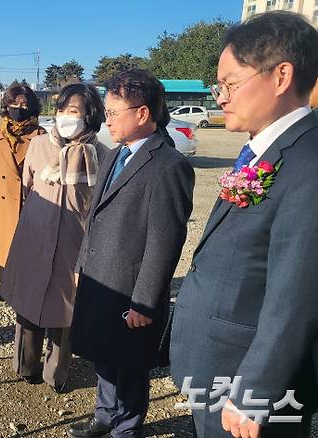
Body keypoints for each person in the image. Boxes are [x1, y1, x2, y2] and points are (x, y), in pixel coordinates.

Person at [170, 11, 318, 438]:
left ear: (280, 76)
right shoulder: (263, 150)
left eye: (231, 84)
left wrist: (256, 391)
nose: (221, 96)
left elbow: (297, 294)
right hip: (217, 367)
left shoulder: (308, 162)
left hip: (248, 387)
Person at [68, 70, 195, 438]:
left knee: (131, 362)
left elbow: (166, 240)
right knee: (104, 354)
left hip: (132, 287)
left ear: (142, 114)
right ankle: (105, 415)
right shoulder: (114, 154)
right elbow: (94, 216)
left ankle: (127, 427)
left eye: (113, 111)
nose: (106, 118)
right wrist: (81, 264)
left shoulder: (169, 165)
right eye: (105, 111)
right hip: (100, 277)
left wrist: (145, 302)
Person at [0, 83, 107, 393]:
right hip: (35, 234)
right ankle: (25, 365)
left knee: (65, 311)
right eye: (61, 110)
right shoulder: (40, 144)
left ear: (90, 116)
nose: (64, 117)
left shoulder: (101, 154)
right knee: (28, 302)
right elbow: (29, 185)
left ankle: (56, 373)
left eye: (73, 111)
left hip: (74, 242)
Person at [0, 84, 46, 301]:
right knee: (3, 247)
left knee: (30, 248)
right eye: (14, 103)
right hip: (6, 202)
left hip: (32, 201)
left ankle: (27, 286)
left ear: (32, 107)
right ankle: (5, 286)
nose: (18, 107)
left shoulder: (41, 134)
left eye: (24, 104)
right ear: (6, 106)